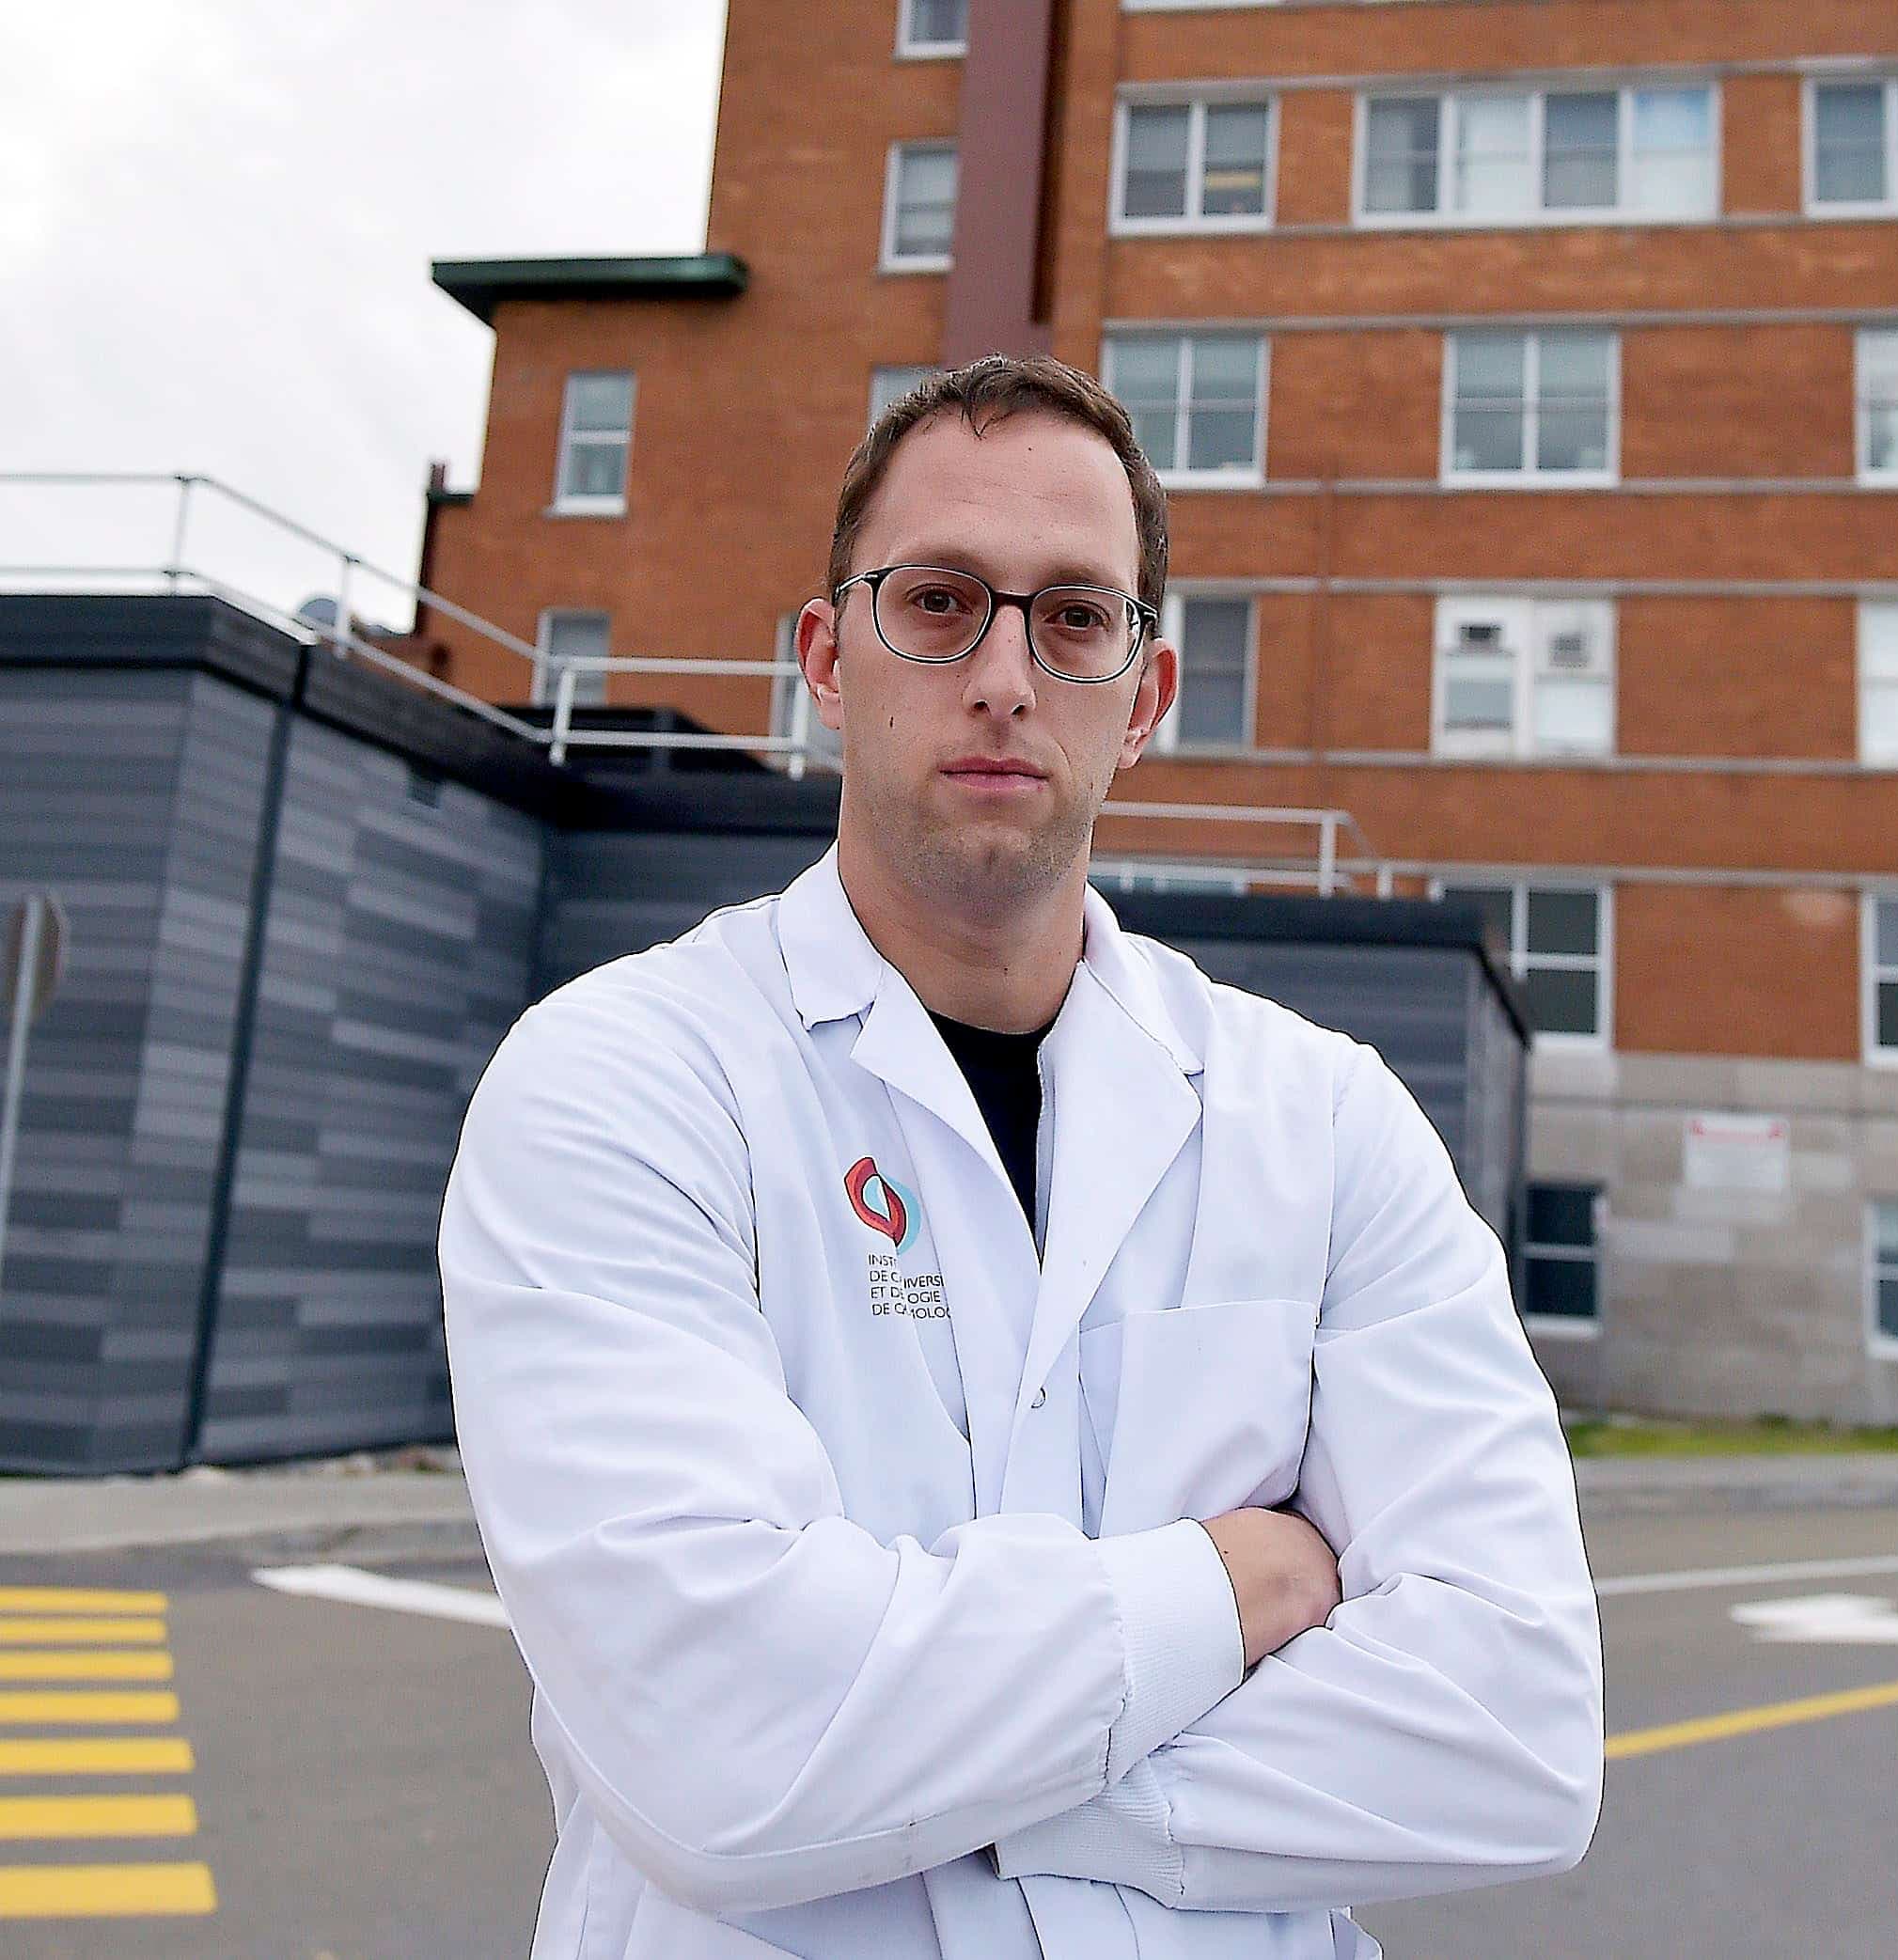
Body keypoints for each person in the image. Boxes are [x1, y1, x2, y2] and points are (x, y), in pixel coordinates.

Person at [438, 354, 1604, 1960]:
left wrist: (938, 1783)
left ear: (1143, 697)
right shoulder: (626, 1082)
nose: (1002, 672)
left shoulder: (1325, 1123)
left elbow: (1519, 1727)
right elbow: (721, 1750)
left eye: (1071, 617)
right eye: (937, 601)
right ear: (826, 658)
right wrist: (1234, 1587)